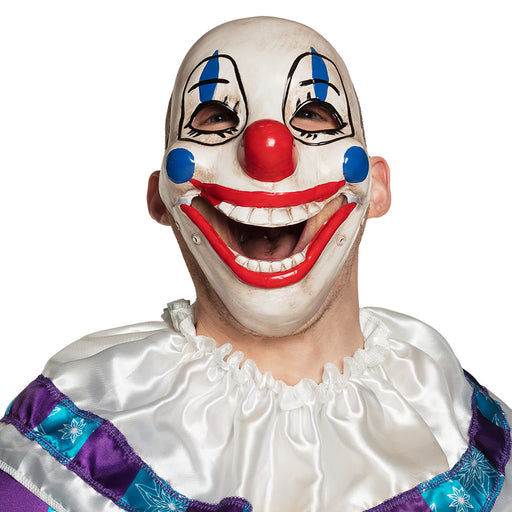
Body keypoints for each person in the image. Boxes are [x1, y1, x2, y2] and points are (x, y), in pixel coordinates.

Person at [0, 16, 510, 512]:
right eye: (215, 118)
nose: (267, 151)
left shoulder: (453, 418)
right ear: (159, 197)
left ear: (376, 187)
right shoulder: (65, 451)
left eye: (313, 112)